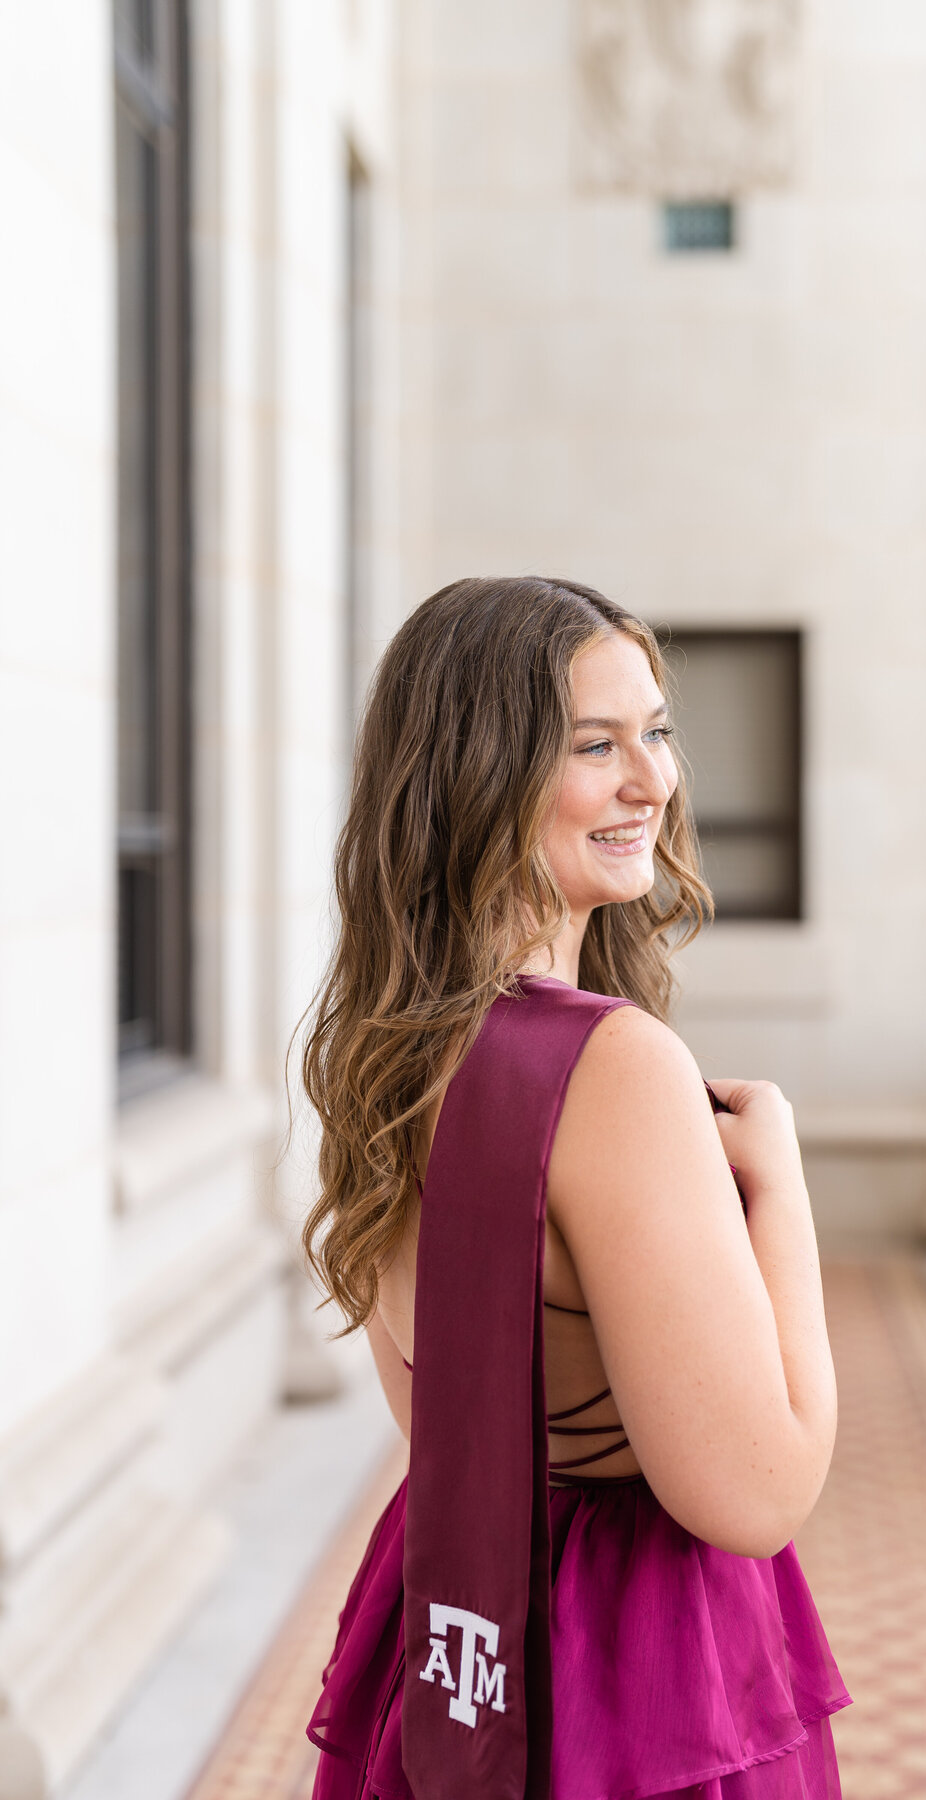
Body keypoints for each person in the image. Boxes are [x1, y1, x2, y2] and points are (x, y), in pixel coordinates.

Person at [298, 576, 849, 1799]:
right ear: (476, 781)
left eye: (654, 731)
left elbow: (439, 1425)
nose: (653, 779)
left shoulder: (389, 1055)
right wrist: (787, 1194)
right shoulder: (614, 1068)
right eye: (595, 745)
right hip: (633, 1674)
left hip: (452, 1631)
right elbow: (759, 1494)